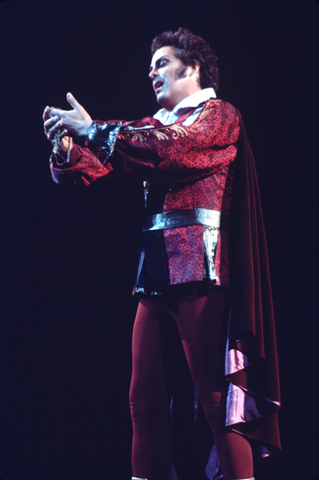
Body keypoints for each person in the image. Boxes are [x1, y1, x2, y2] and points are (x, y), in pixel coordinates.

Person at [43, 28, 281, 480]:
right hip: (153, 271)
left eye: (162, 63)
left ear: (191, 67)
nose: (152, 72)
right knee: (143, 399)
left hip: (200, 270)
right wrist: (67, 148)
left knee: (215, 397)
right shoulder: (154, 126)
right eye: (151, 66)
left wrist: (93, 128)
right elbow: (104, 169)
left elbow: (173, 153)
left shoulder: (218, 116)